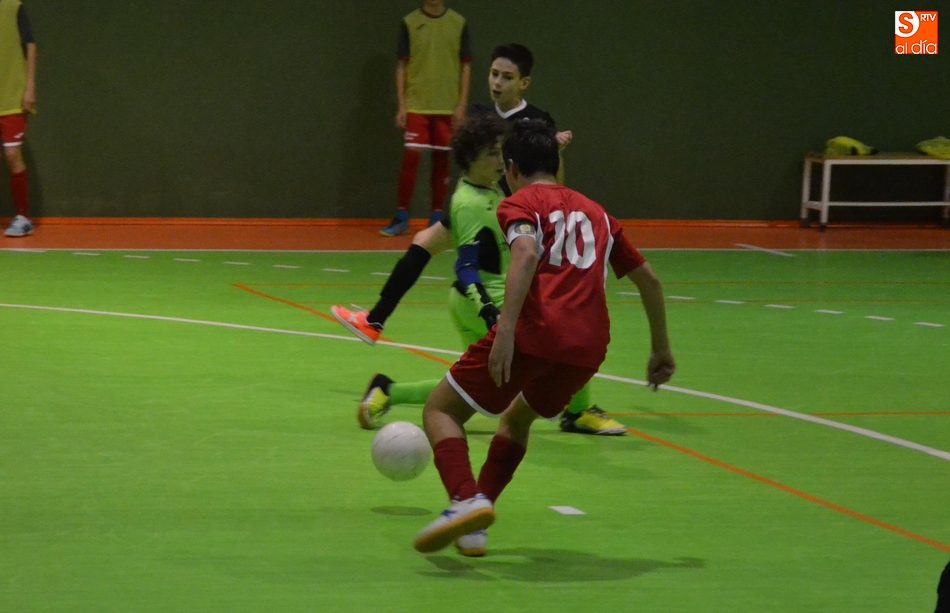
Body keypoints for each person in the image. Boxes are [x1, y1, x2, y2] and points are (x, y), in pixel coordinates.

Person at [412, 120, 676, 555]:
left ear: (512, 168)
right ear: (555, 164)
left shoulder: (519, 203)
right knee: (517, 419)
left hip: (536, 333)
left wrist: (506, 331)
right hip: (588, 348)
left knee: (441, 410)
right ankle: (475, 525)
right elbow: (649, 280)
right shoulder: (599, 214)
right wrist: (661, 349)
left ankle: (463, 498)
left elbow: (527, 251)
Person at [333, 44, 627, 435]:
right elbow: (466, 263)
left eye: (507, 77)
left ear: (524, 83)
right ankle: (376, 323)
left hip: (509, 218)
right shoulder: (479, 124)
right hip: (488, 226)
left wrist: (555, 155)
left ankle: (384, 371)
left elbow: (553, 180)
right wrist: (490, 310)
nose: (497, 82)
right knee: (559, 326)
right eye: (493, 74)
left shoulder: (536, 122)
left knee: (486, 382)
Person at [380, 0, 472, 237]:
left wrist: (461, 106)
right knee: (411, 158)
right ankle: (402, 217)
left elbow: (465, 67)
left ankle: (436, 218)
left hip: (447, 106)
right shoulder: (410, 22)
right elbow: (401, 66)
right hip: (416, 104)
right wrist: (402, 105)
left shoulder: (458, 23)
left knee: (442, 161)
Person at [0, 0, 36, 238]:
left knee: (12, 155)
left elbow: (30, 46)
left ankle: (23, 217)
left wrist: (30, 86)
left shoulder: (13, 6)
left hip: (12, 95)